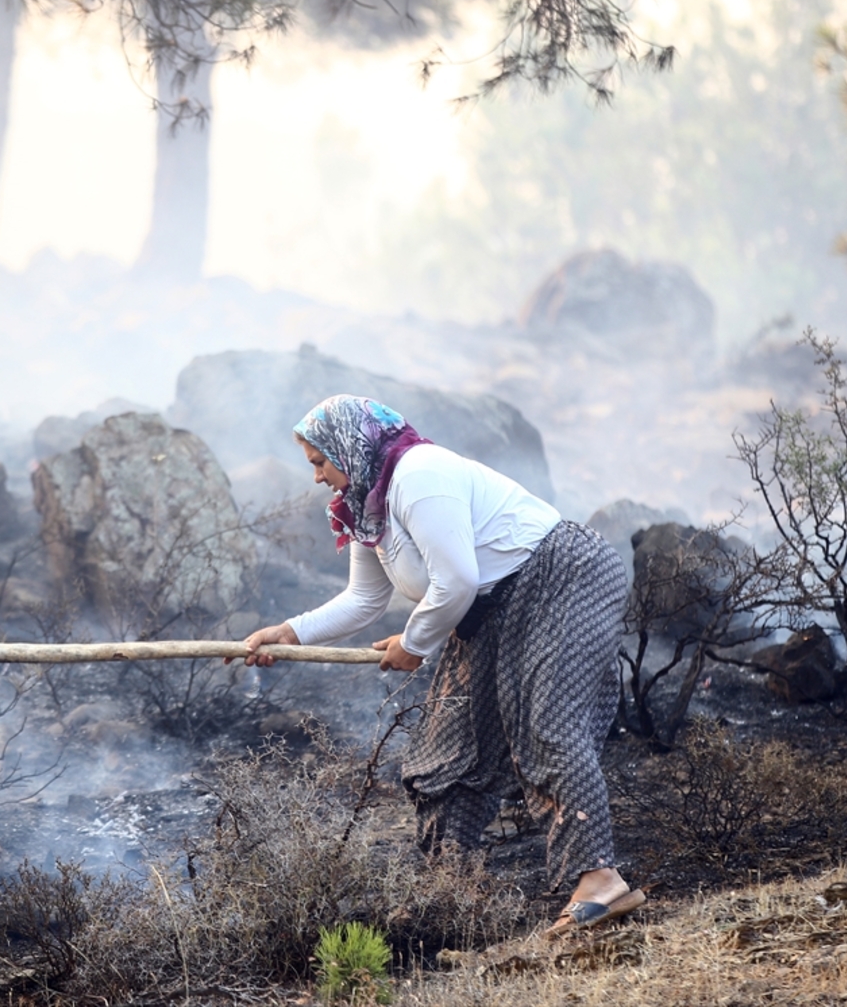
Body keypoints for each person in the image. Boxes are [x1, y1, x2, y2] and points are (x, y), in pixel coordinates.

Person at [240, 394, 643, 933]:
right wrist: (289, 633)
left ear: (348, 447)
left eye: (319, 461)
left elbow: (455, 580)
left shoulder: (418, 474)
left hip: (561, 579)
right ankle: (450, 890)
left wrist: (415, 644)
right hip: (488, 610)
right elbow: (364, 599)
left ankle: (600, 881)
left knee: (548, 728)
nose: (315, 477)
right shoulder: (367, 503)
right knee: (446, 752)